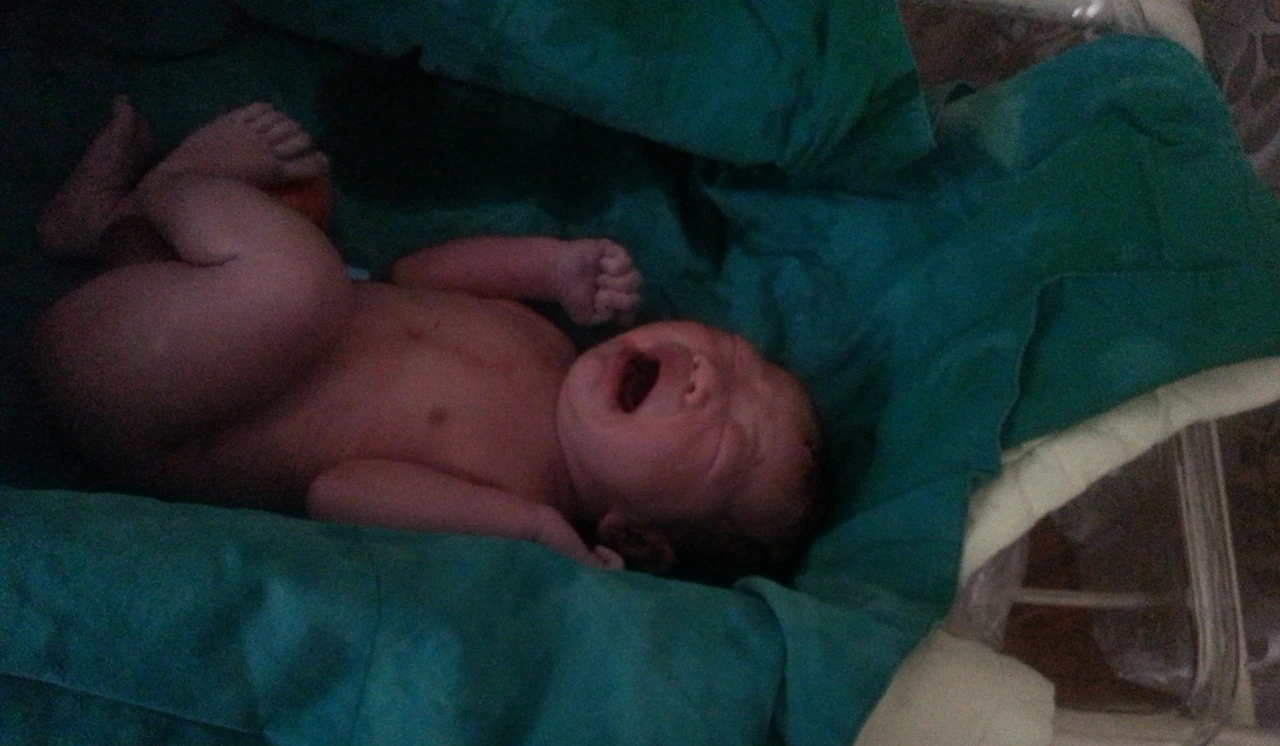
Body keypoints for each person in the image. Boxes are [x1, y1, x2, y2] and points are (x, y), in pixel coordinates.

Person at [31, 98, 830, 577]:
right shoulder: (549, 346)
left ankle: (172, 188)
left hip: (143, 406)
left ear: (636, 538)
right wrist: (549, 269)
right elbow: (413, 278)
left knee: (301, 287)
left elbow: (336, 493)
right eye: (738, 358)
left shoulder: (520, 496)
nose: (712, 377)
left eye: (729, 442)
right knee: (307, 240)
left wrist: (531, 533)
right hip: (156, 315)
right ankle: (104, 227)